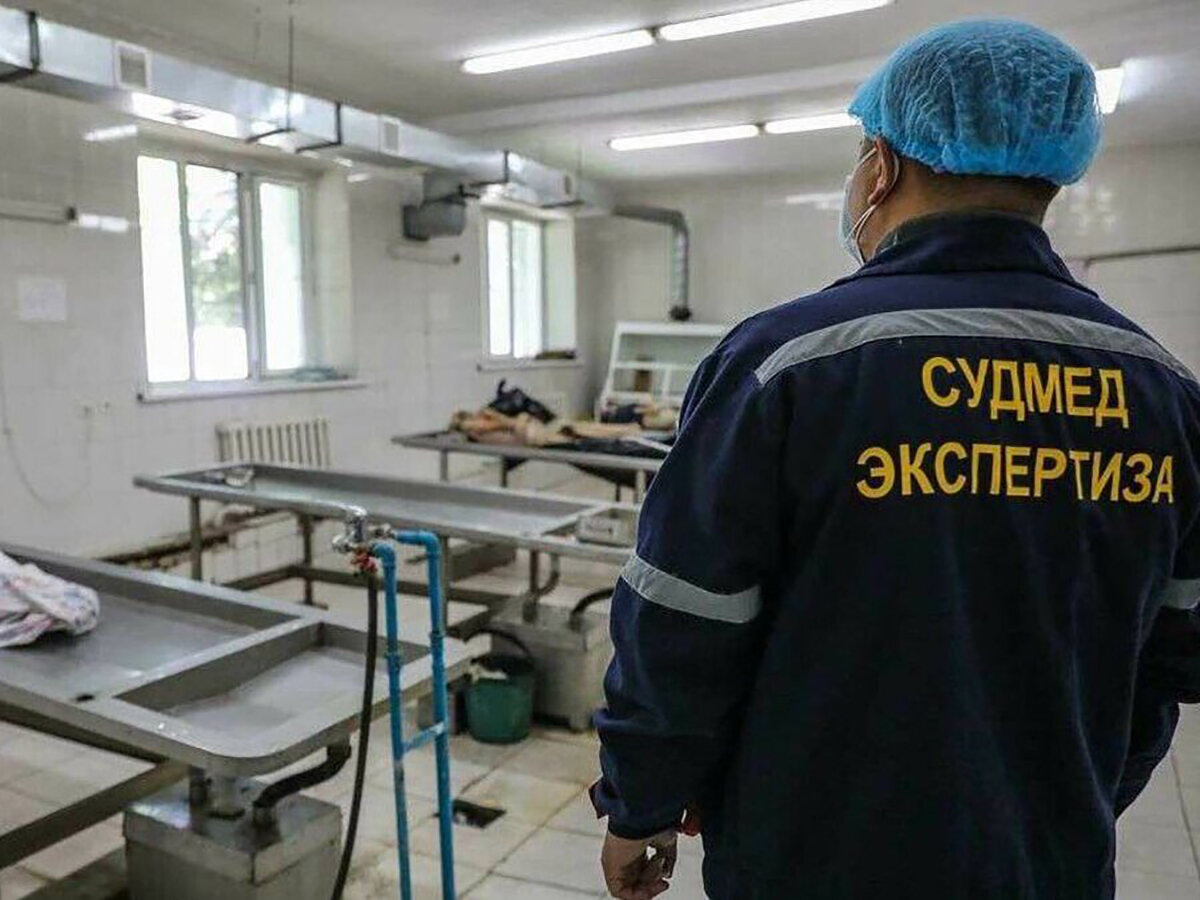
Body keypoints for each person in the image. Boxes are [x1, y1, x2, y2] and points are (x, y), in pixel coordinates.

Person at [591, 19, 1200, 900]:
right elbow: (1176, 656)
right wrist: (1071, 801)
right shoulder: (1163, 392)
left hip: (808, 857)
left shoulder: (786, 364)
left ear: (881, 167)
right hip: (1045, 860)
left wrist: (640, 801)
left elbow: (684, 620)